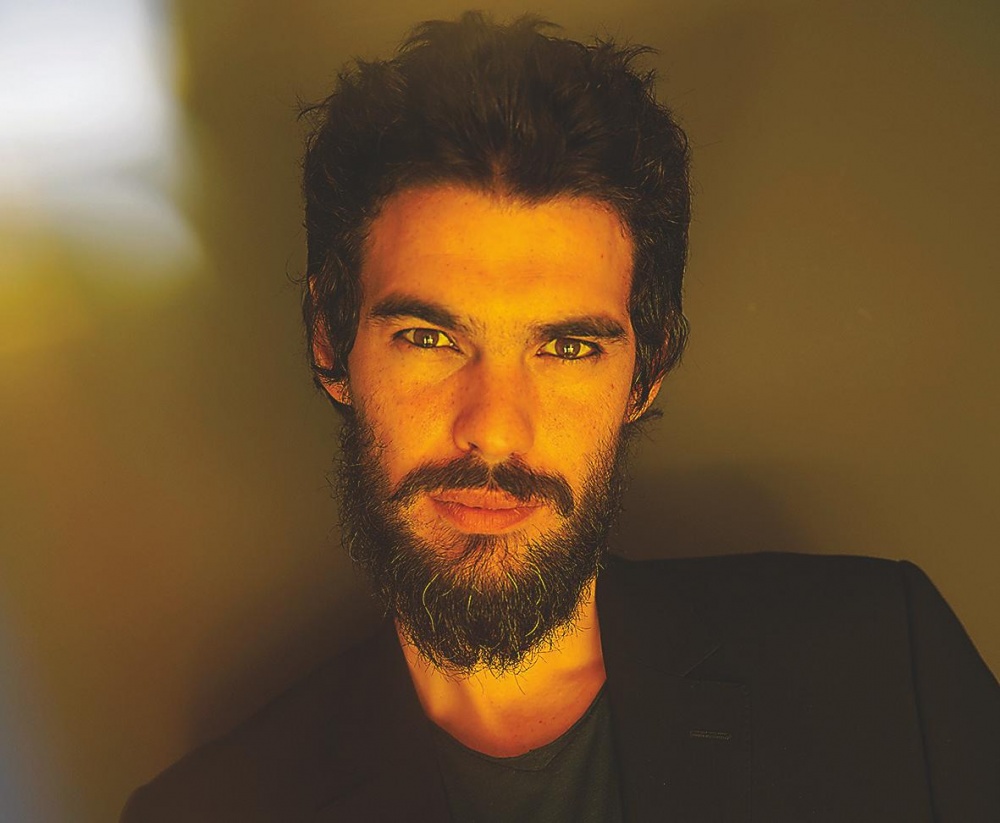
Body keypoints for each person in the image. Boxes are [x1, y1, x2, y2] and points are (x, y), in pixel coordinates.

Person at [121, 11, 999, 822]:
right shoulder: (206, 810)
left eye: (568, 347)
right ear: (328, 338)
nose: (496, 429)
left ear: (646, 369)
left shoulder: (886, 667)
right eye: (429, 338)